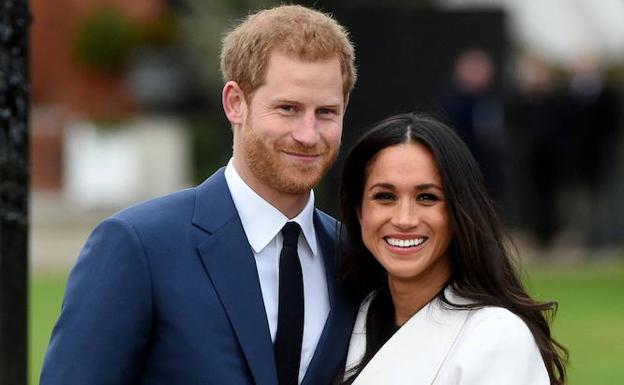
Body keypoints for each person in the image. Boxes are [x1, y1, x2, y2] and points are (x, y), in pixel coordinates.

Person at [40, 5, 357, 385]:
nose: (308, 134)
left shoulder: (353, 258)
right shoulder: (140, 246)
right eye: (287, 109)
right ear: (235, 103)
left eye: (325, 112)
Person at [338, 113, 568, 384]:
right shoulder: (351, 315)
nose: (404, 219)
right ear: (359, 212)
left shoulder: (496, 337)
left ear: (460, 211)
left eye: (427, 197)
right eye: (385, 197)